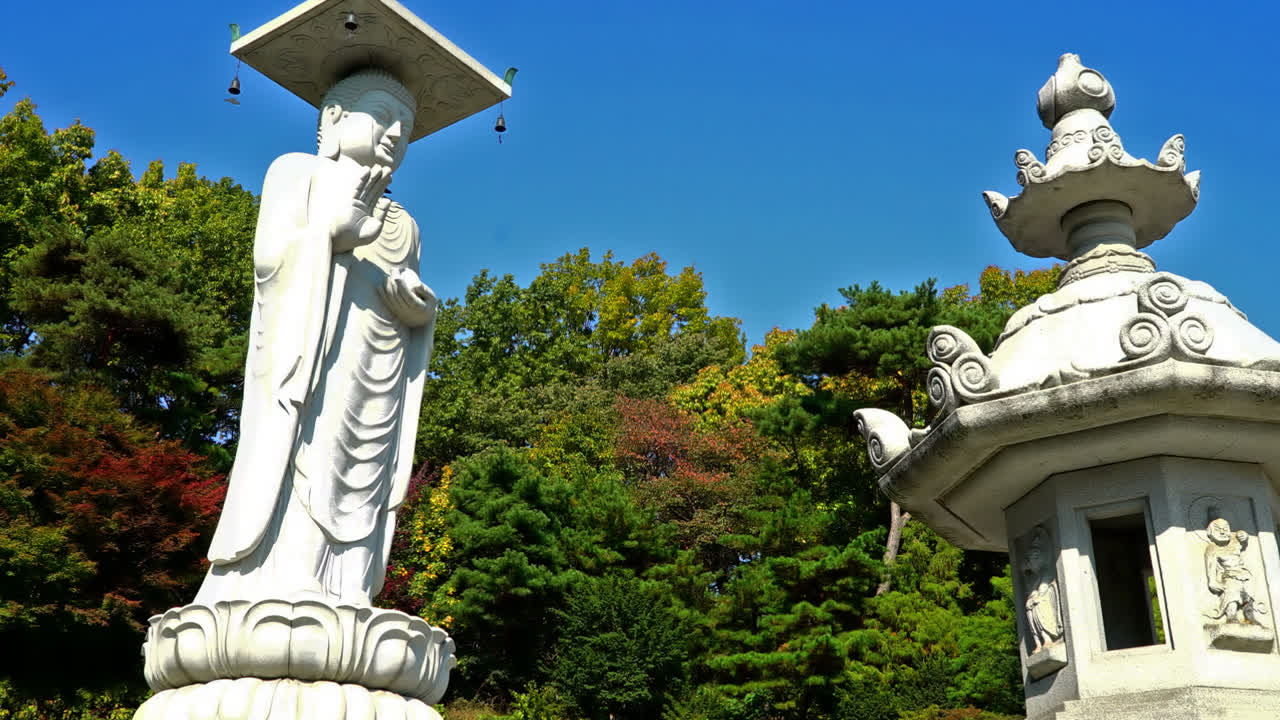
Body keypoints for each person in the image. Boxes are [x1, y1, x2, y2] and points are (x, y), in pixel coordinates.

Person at [195, 69, 437, 607]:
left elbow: (406, 290)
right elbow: (270, 261)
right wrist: (331, 234)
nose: (396, 133)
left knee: (364, 475)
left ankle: (351, 588)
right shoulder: (297, 174)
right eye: (382, 115)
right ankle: (290, 578)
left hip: (379, 367)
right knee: (314, 449)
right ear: (333, 118)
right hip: (315, 359)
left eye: (406, 124)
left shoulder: (405, 224)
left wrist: (419, 314)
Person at [1204, 517, 1264, 624]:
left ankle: (1249, 616)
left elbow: (1242, 536)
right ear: (1211, 532)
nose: (1222, 532)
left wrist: (1243, 535)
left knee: (1248, 596)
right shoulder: (1212, 548)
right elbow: (1211, 566)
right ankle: (1231, 616)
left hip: (1243, 573)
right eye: (1218, 529)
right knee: (1231, 596)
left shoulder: (1234, 541)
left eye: (1225, 529)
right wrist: (1212, 581)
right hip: (1229, 575)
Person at [1024, 527, 1063, 653]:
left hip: (1043, 599)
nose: (1032, 561)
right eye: (1030, 559)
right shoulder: (1033, 576)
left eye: (1035, 558)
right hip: (1035, 600)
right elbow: (1030, 589)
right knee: (1029, 608)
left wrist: (1036, 597)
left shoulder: (1046, 571)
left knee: (1038, 605)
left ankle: (1047, 638)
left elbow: (1044, 587)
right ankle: (1038, 642)